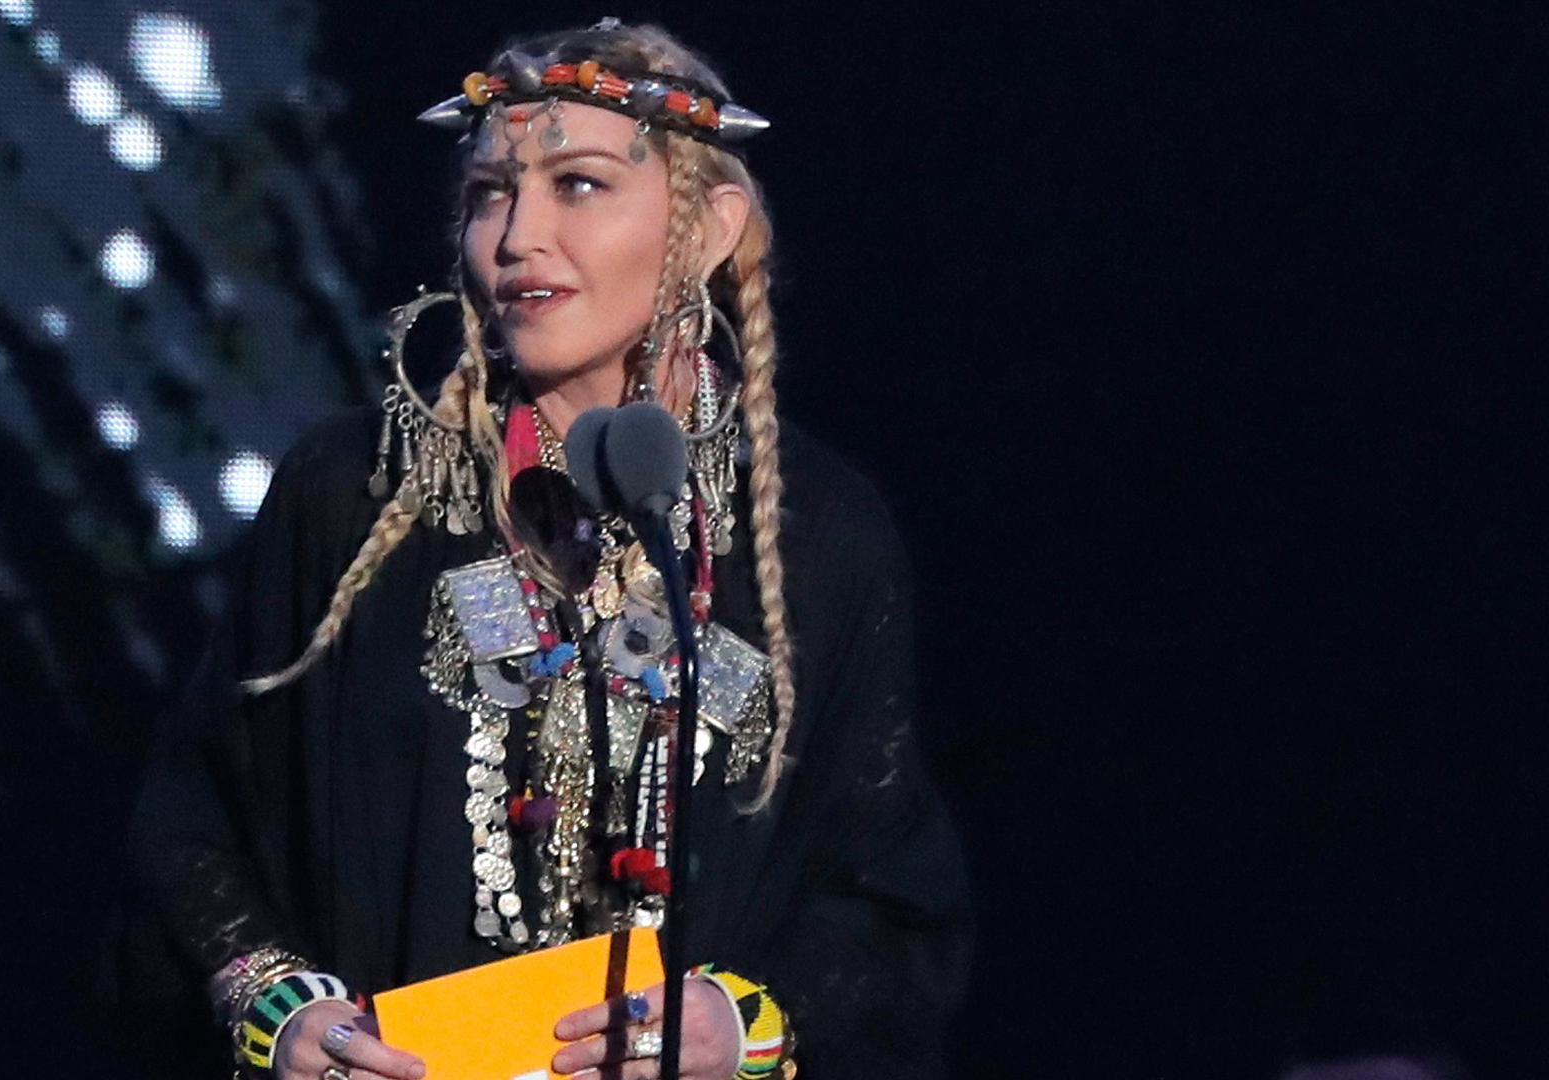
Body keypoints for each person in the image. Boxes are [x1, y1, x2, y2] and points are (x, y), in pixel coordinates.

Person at [109, 20, 972, 1080]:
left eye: (579, 185)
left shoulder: (814, 531)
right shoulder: (357, 493)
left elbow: (891, 899)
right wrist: (280, 1011)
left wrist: (744, 1025)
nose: (517, 235)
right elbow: (191, 825)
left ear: (710, 228)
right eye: (489, 194)